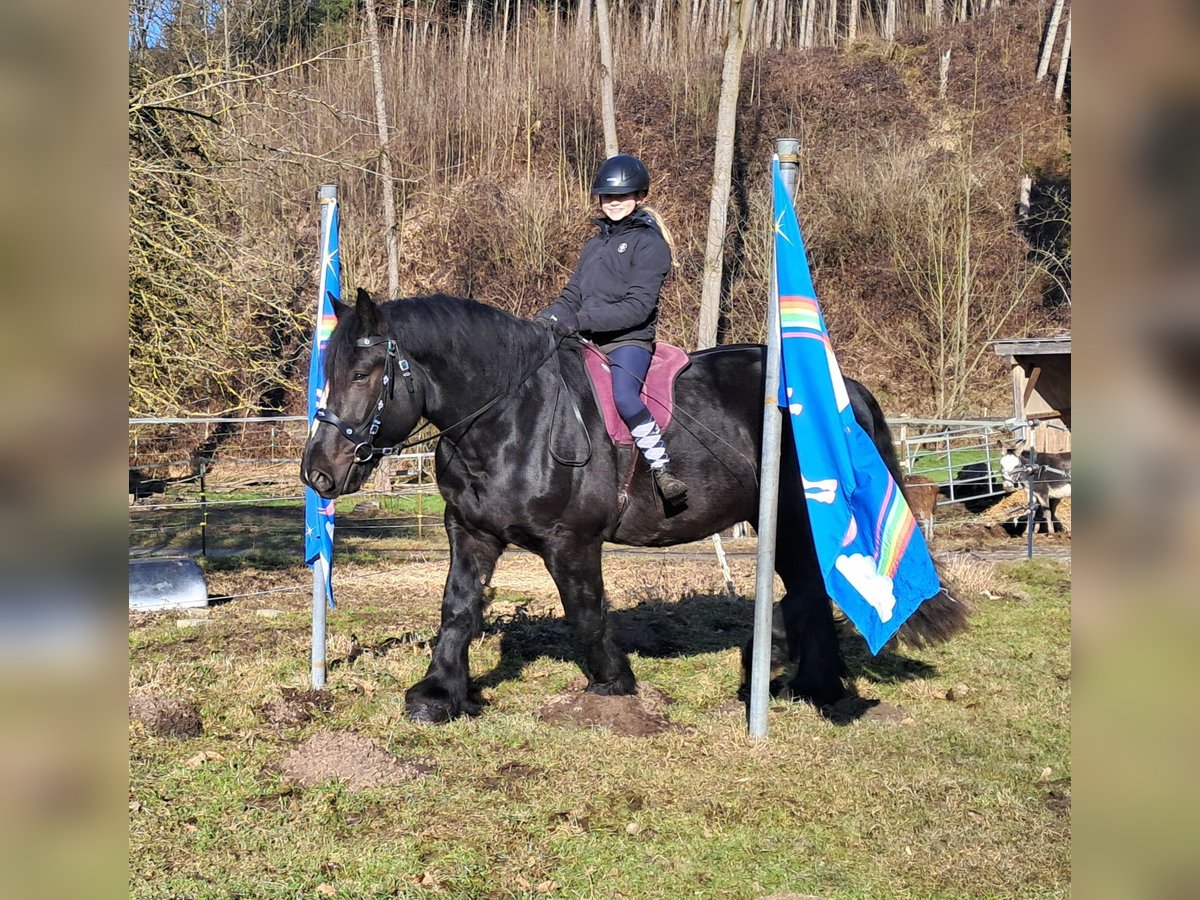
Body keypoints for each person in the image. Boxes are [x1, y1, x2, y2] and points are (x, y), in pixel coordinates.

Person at [534, 153, 687, 503]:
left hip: (627, 342)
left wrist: (580, 321)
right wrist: (546, 319)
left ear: (640, 197)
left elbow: (637, 308)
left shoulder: (650, 245)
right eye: (607, 197)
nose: (613, 203)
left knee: (623, 396)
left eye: (621, 196)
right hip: (585, 340)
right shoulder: (594, 244)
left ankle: (662, 468)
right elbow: (573, 294)